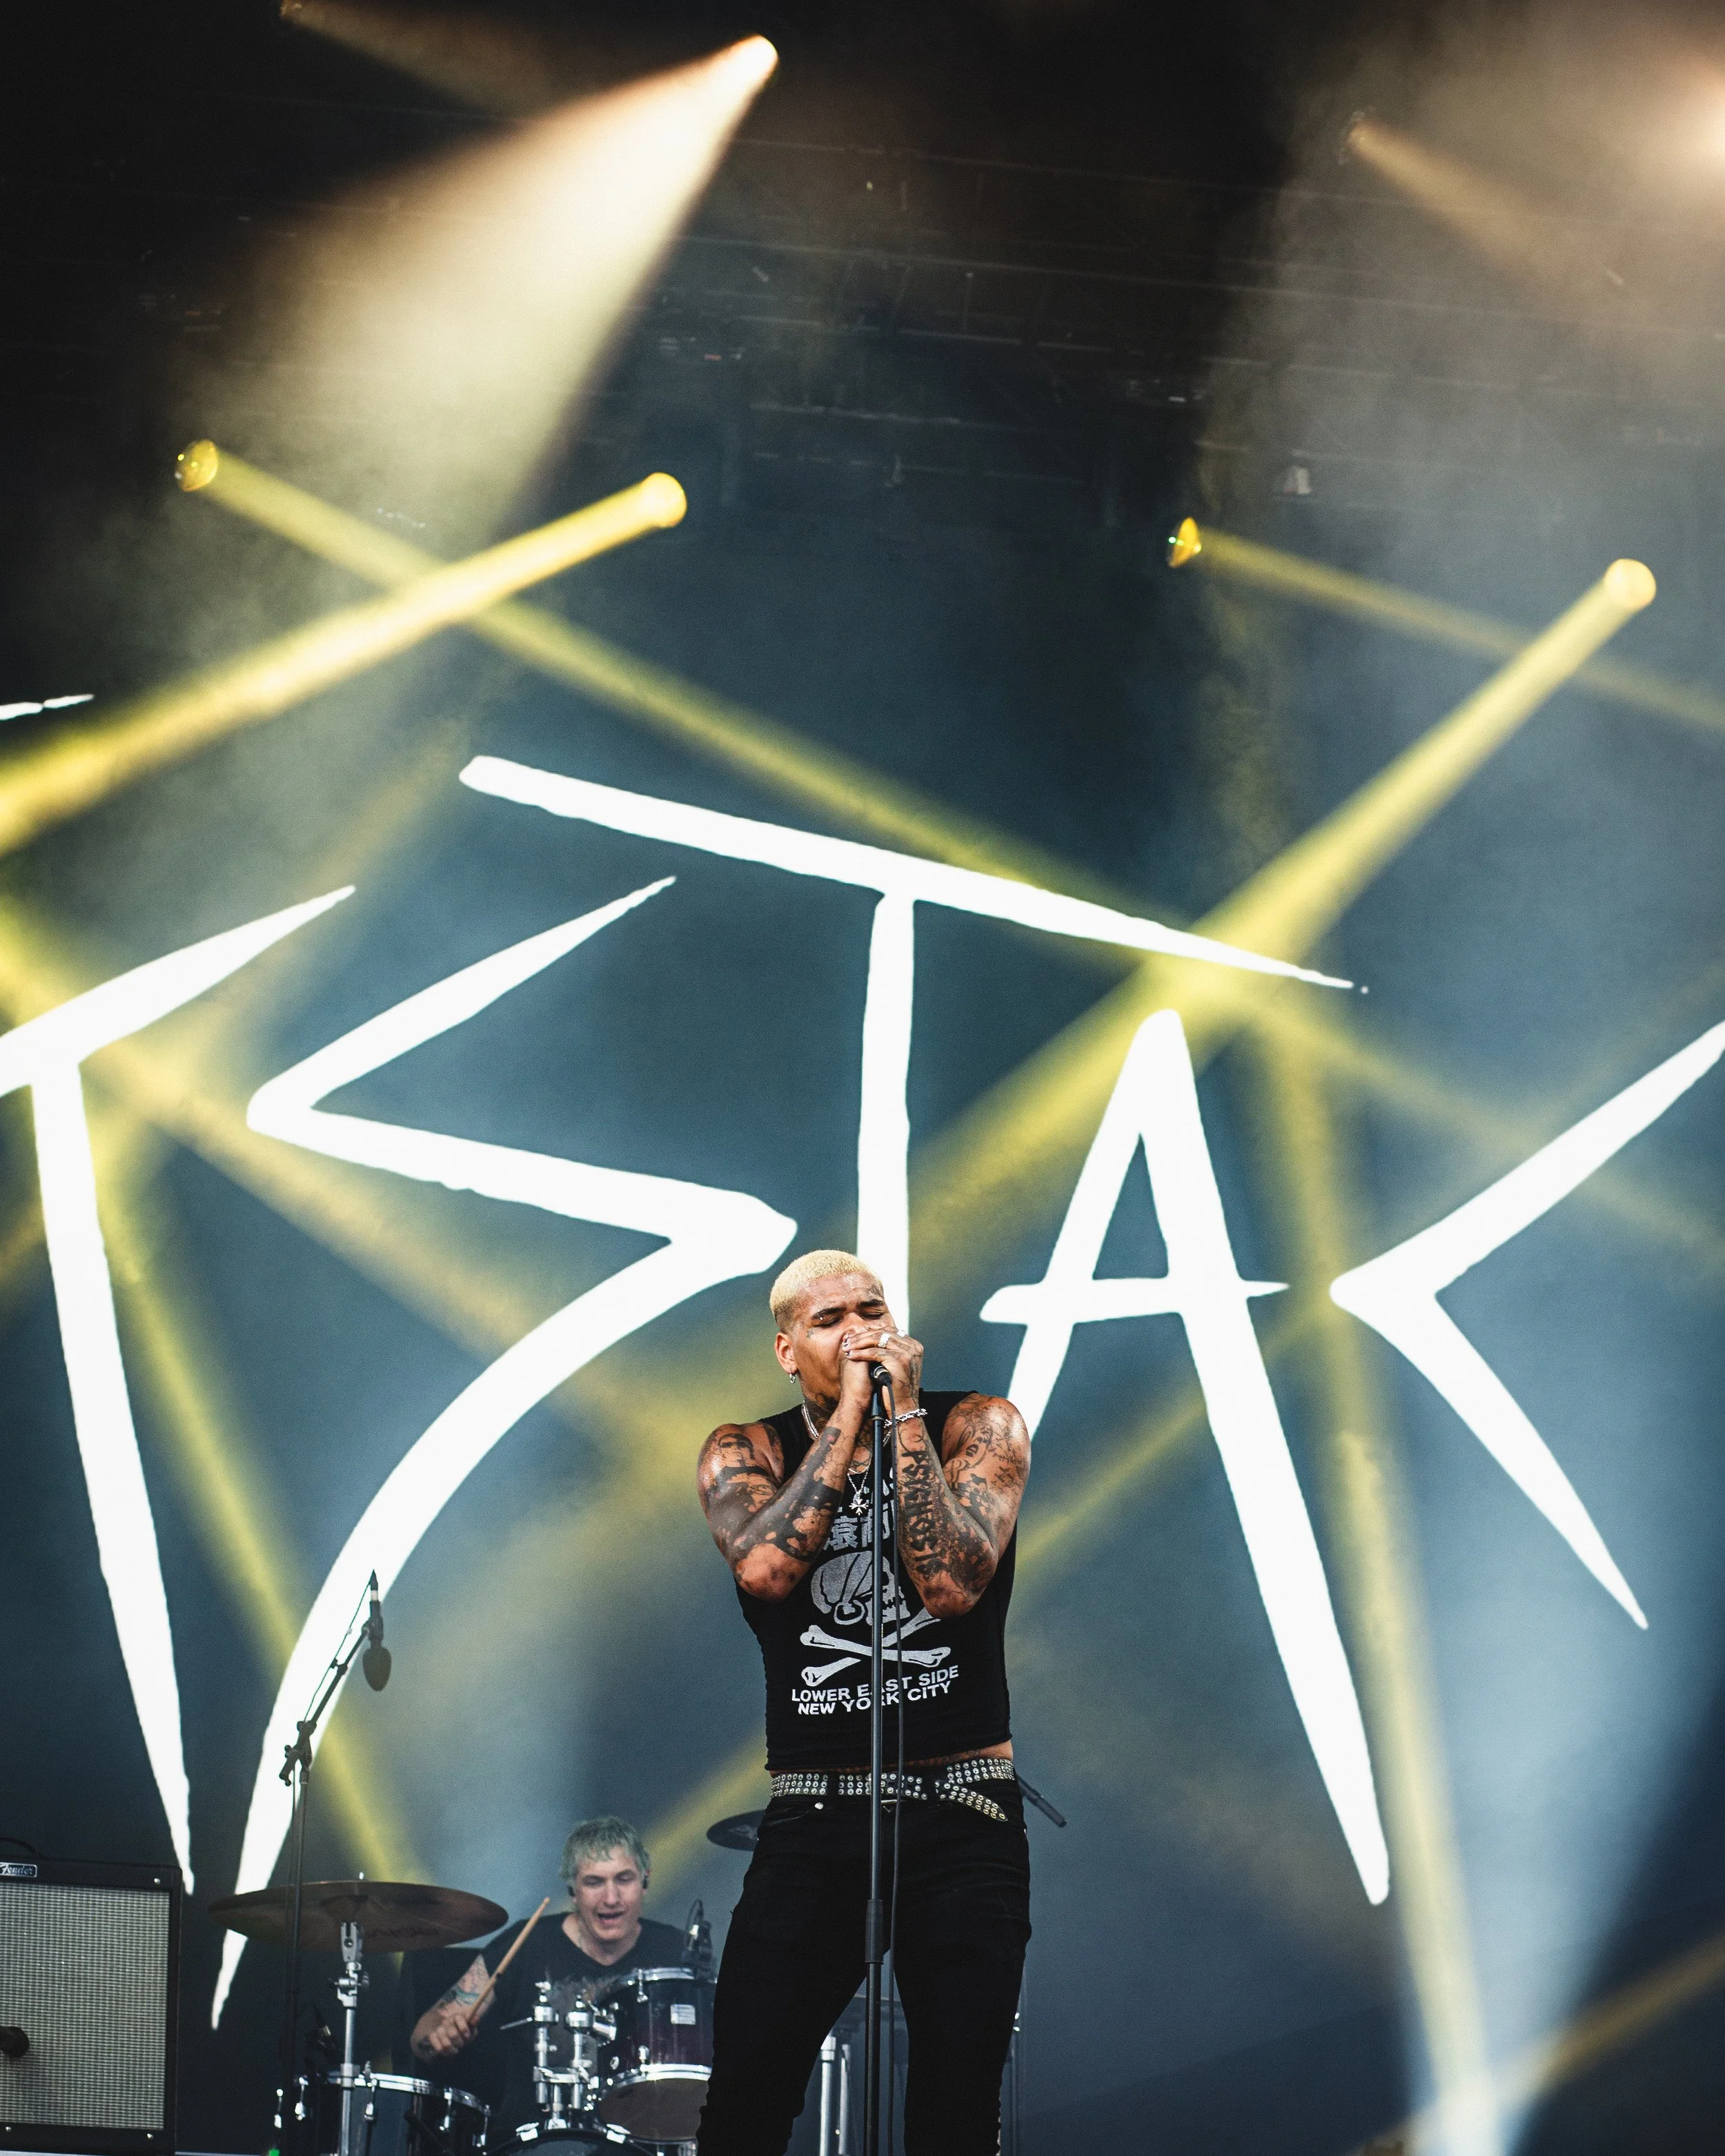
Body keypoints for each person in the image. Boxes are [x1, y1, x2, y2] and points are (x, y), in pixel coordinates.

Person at [694, 1249, 1032, 2156]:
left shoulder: (977, 1425)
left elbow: (951, 1584)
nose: (859, 1332)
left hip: (962, 1810)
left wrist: (902, 1415)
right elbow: (767, 1569)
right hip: (815, 1817)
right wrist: (849, 1413)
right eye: (829, 1319)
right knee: (746, 2100)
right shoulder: (745, 1451)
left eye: (871, 1310)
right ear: (785, 1348)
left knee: (956, 2114)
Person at [411, 1816, 690, 2137]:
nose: (611, 1898)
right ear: (573, 1890)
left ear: (645, 1881)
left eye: (624, 1879)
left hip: (641, 2143)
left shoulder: (679, 1953)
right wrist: (440, 2037)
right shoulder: (527, 1945)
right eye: (594, 1882)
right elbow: (423, 2035)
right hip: (535, 2144)